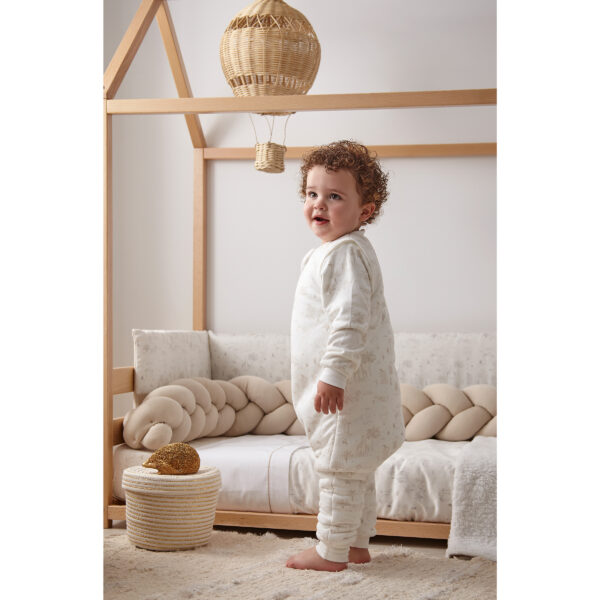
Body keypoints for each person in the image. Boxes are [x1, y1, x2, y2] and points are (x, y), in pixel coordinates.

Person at [287, 140, 405, 572]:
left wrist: (333, 374)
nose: (319, 204)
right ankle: (356, 544)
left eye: (334, 196)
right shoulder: (334, 252)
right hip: (352, 389)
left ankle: (331, 550)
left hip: (346, 392)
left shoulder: (346, 254)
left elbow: (350, 321)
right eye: (312, 193)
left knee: (338, 468)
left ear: (364, 211)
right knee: (356, 468)